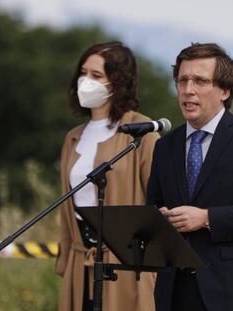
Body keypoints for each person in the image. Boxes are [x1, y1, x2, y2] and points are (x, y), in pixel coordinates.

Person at [147, 42, 233, 311]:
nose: (188, 90)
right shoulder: (164, 146)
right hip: (174, 295)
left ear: (225, 90)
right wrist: (159, 219)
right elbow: (152, 207)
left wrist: (206, 218)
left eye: (200, 81)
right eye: (182, 80)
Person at [55, 41, 158, 311]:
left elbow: (159, 205)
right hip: (81, 264)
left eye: (96, 76)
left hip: (127, 264)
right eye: (83, 73)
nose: (85, 81)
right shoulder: (73, 137)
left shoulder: (143, 132)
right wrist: (65, 261)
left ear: (117, 83)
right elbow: (67, 211)